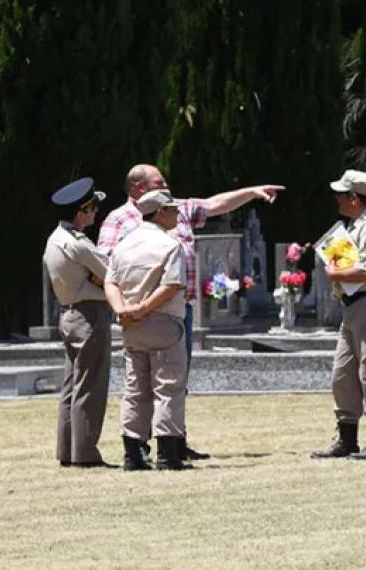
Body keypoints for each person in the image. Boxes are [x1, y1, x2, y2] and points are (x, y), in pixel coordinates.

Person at [98, 164, 285, 460]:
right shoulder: (119, 220)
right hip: (145, 310)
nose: (168, 188)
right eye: (159, 183)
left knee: (172, 379)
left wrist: (251, 192)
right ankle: (155, 448)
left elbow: (212, 205)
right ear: (137, 188)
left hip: (171, 309)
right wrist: (132, 307)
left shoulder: (176, 209)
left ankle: (169, 440)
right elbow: (106, 268)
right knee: (151, 382)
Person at [311, 169, 366, 460]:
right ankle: (347, 436)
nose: (337, 199)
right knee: (343, 373)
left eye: (341, 194)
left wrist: (335, 271)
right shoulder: (355, 225)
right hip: (353, 306)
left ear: (354, 197)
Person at [104, 189, 191, 471]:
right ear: (161, 212)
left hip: (130, 325)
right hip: (162, 320)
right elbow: (171, 286)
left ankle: (133, 453)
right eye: (173, 209)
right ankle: (168, 453)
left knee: (135, 388)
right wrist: (142, 309)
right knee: (168, 387)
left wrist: (122, 310)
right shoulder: (169, 245)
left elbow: (111, 282)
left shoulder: (124, 244)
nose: (177, 213)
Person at [43, 177, 112, 468]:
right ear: (81, 212)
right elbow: (111, 272)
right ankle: (84, 453)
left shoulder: (55, 239)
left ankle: (68, 451)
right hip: (88, 315)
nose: (96, 213)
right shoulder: (79, 244)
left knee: (72, 387)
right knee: (91, 386)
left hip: (69, 313)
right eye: (93, 208)